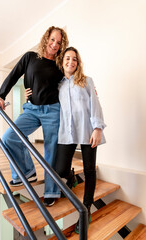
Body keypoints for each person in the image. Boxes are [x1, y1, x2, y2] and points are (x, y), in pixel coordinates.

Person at [0, 26, 69, 207]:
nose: (54, 44)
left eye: (58, 43)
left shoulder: (59, 65)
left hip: (53, 111)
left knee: (51, 152)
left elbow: (71, 82)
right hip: (31, 109)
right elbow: (12, 76)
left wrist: (88, 88)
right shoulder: (30, 57)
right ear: (46, 38)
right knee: (10, 137)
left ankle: (51, 192)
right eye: (52, 40)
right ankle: (26, 172)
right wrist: (1, 96)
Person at [56, 47, 106, 233]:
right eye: (67, 58)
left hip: (87, 130)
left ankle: (85, 210)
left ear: (78, 63)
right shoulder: (58, 85)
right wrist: (30, 97)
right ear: (62, 62)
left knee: (90, 170)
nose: (71, 62)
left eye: (75, 59)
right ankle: (72, 177)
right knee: (60, 169)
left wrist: (97, 128)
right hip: (66, 132)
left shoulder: (86, 81)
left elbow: (95, 104)